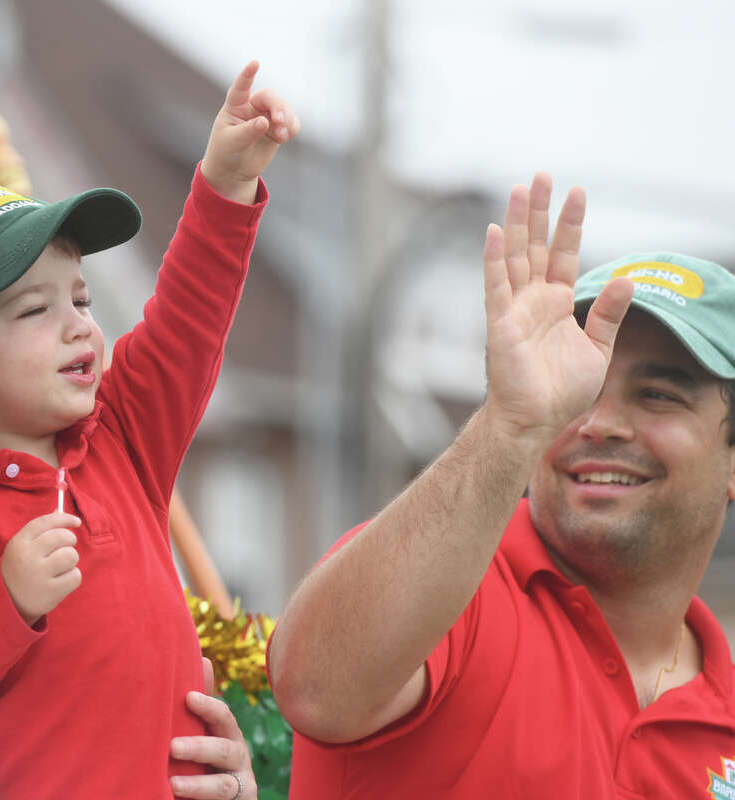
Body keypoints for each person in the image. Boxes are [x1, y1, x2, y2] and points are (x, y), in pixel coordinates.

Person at [0, 61, 299, 800]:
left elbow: (187, 320)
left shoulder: (124, 435)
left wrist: (225, 182)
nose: (80, 329)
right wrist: (7, 600)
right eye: (35, 311)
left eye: (83, 298)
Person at [268, 174, 735, 797]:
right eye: (579, 387)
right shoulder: (455, 589)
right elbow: (316, 689)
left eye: (658, 395)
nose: (600, 423)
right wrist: (511, 423)